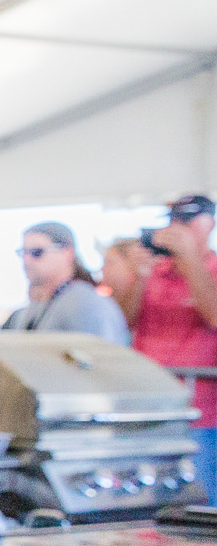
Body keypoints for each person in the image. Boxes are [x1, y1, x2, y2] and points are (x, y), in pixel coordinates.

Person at [108, 194, 217, 494]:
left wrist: (192, 259)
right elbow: (124, 320)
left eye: (185, 222)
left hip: (199, 412)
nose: (174, 229)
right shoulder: (156, 270)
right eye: (172, 222)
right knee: (145, 500)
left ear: (208, 224)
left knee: (198, 500)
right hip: (148, 407)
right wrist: (140, 276)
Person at [3, 221, 128, 344]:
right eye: (23, 253)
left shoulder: (84, 303)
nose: (26, 260)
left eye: (37, 252)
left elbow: (103, 359)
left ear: (67, 253)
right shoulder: (34, 308)